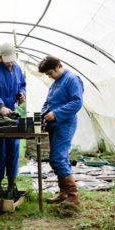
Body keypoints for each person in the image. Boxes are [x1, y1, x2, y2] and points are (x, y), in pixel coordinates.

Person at [38, 56, 84, 205]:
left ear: (58, 66)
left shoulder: (72, 79)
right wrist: (44, 112)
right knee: (56, 158)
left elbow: (77, 102)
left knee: (58, 156)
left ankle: (72, 195)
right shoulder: (55, 83)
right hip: (54, 124)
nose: (49, 76)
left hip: (65, 123)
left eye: (50, 73)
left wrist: (56, 114)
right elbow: (48, 101)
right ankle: (64, 193)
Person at [0, 42, 26, 191]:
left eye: (11, 59)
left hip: (12, 116)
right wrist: (0, 106)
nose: (9, 62)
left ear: (16, 56)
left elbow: (22, 85)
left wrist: (22, 94)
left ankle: (11, 184)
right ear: (0, 58)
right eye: (6, 59)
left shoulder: (17, 69)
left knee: (13, 148)